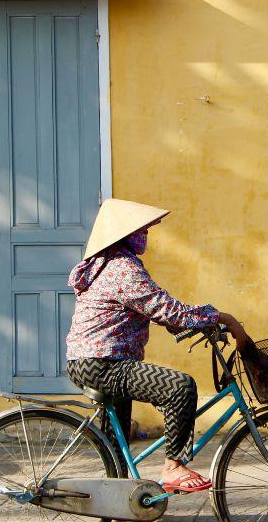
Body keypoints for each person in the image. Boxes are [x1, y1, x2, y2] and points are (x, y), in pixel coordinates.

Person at [64, 198, 250, 493]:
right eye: (142, 231)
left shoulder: (109, 265)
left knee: (117, 440)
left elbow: (157, 311)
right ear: (124, 236)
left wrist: (194, 323)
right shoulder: (122, 269)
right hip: (103, 364)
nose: (146, 236)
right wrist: (222, 317)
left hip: (95, 361)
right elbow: (167, 309)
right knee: (180, 388)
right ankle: (174, 467)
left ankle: (115, 495)